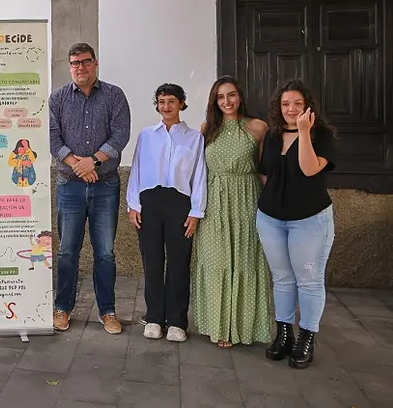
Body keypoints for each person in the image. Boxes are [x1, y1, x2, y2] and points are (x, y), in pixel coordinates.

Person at [49, 42, 131, 334]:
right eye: (75, 63)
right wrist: (78, 165)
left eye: (85, 62)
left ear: (95, 63)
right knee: (68, 251)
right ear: (69, 66)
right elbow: (53, 138)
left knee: (105, 252)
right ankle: (62, 308)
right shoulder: (57, 98)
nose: (80, 68)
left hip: (105, 184)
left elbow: (120, 134)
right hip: (69, 185)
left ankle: (107, 311)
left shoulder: (114, 95)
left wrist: (93, 162)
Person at [257, 79, 336, 370]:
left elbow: (308, 168)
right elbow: (265, 171)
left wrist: (304, 131)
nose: (291, 109)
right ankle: (285, 333)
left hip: (309, 220)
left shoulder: (321, 135)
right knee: (282, 278)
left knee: (309, 280)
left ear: (307, 106)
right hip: (271, 219)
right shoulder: (274, 135)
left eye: (297, 104)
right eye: (285, 104)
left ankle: (306, 338)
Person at [192, 76, 271, 348]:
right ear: (215, 101)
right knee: (216, 262)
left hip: (247, 201)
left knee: (246, 262)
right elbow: (199, 170)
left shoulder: (258, 127)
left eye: (232, 95)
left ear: (240, 97)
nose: (227, 101)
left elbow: (264, 170)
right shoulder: (207, 129)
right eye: (221, 97)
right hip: (213, 203)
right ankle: (218, 325)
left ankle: (244, 326)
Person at [127, 83, 207, 343]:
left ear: (182, 103)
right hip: (149, 201)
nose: (166, 106)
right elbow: (137, 169)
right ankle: (153, 317)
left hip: (180, 203)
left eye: (172, 101)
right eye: (161, 101)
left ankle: (176, 321)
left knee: (178, 263)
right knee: (152, 262)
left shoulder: (194, 138)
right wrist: (133, 205)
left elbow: (199, 176)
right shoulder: (147, 135)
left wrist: (196, 211)